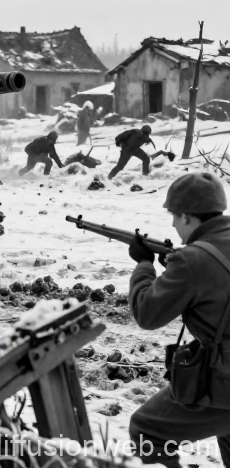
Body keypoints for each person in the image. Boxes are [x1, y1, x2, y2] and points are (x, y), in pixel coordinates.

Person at [126, 172, 230, 467]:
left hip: (224, 385)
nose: (172, 224)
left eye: (174, 216)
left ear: (187, 217)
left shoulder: (191, 260)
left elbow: (147, 313)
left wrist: (144, 265)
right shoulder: (193, 257)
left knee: (146, 429)